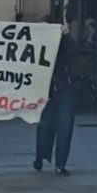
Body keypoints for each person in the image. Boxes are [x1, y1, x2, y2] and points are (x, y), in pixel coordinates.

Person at [35, 16, 76, 175]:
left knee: (64, 127)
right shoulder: (36, 45)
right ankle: (40, 156)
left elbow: (72, 52)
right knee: (44, 126)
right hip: (45, 90)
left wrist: (65, 35)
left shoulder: (63, 43)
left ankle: (60, 163)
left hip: (63, 88)